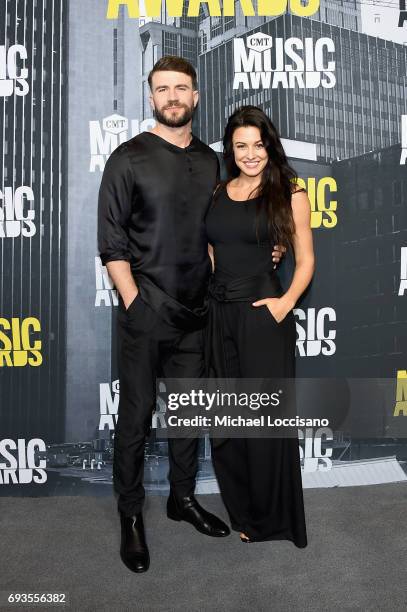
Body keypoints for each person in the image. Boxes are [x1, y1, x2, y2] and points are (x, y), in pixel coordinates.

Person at [98, 56, 286, 572]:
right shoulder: (127, 158)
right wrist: (135, 303)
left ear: (196, 96)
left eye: (182, 88)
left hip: (198, 313)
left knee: (188, 416)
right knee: (135, 419)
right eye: (163, 89)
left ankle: (182, 500)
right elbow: (111, 243)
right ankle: (131, 516)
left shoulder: (211, 161)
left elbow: (232, 222)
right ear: (151, 96)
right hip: (146, 311)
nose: (173, 97)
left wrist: (270, 251)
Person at [206, 106, 314, 545]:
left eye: (258, 144)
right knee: (226, 420)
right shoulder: (217, 190)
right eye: (241, 146)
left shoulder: (289, 191)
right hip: (218, 313)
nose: (251, 154)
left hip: (261, 314)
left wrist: (284, 303)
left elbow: (305, 260)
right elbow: (213, 248)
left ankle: (272, 519)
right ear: (230, 150)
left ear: (269, 144)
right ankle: (244, 512)